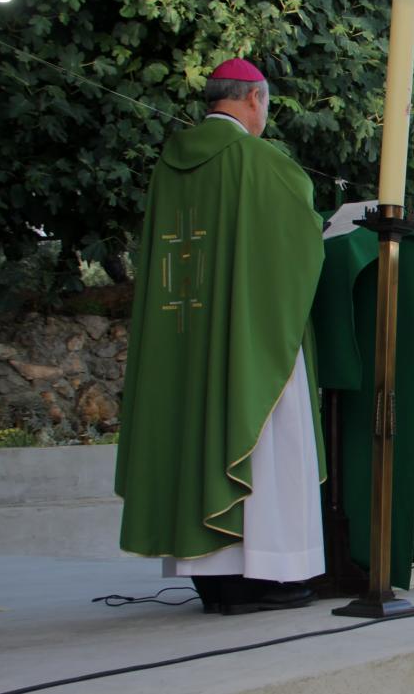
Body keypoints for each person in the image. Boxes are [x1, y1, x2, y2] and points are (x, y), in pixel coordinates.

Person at [116, 59, 324, 615]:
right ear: (254, 99)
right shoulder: (260, 163)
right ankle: (261, 573)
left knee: (190, 433)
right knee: (262, 431)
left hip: (180, 337)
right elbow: (302, 242)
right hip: (245, 338)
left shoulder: (170, 166)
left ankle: (208, 577)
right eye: (266, 105)